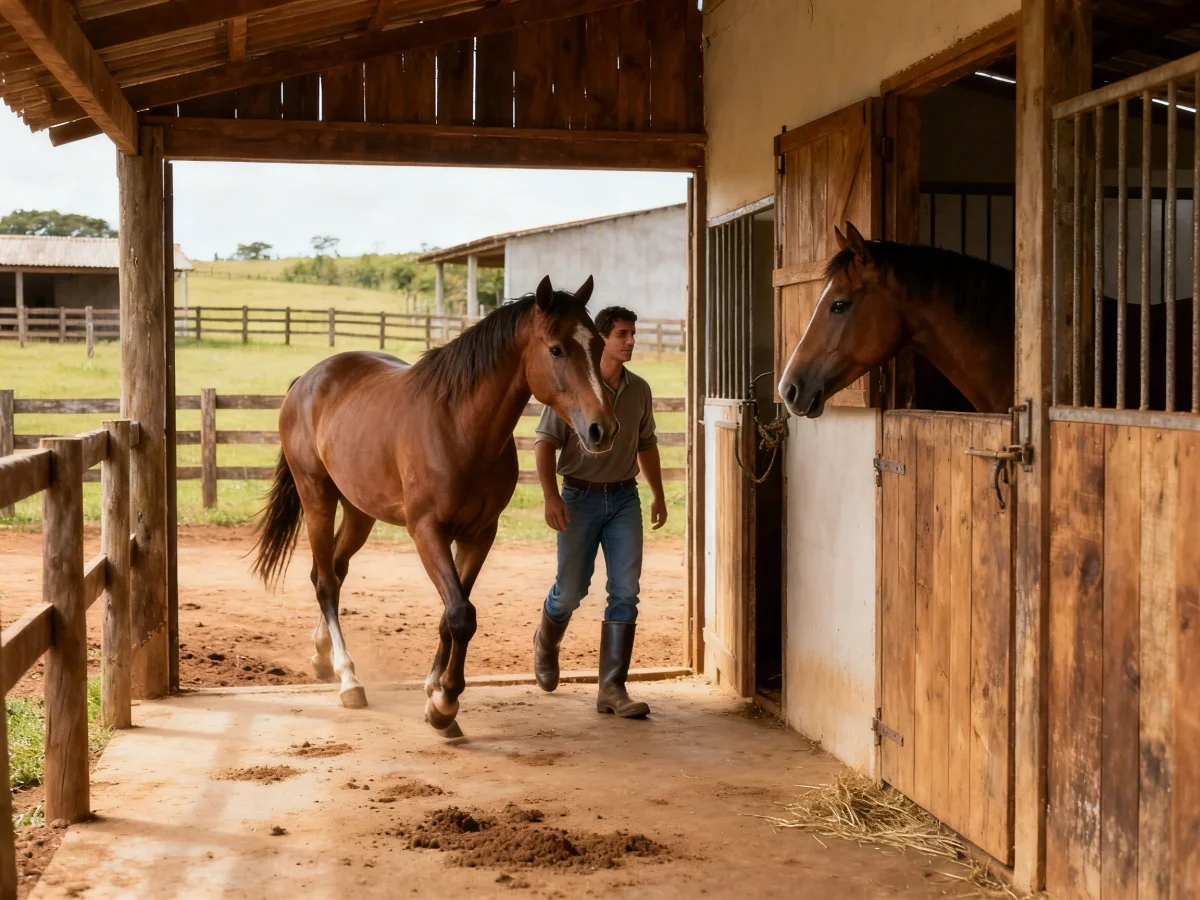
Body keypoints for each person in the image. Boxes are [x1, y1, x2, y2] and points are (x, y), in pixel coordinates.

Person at [532, 305, 667, 718]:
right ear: (602, 339)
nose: (630, 341)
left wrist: (658, 495)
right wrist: (551, 497)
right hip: (579, 497)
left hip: (624, 499)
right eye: (622, 334)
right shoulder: (576, 386)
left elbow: (646, 444)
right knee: (571, 591)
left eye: (632, 334)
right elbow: (544, 443)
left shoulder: (640, 390)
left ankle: (612, 688)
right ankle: (546, 641)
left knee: (625, 591)